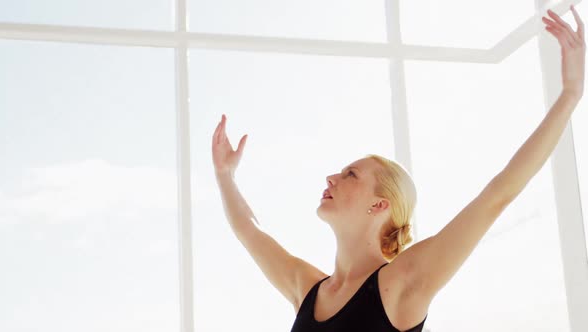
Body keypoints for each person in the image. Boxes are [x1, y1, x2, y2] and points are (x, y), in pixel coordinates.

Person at [211, 6, 585, 332]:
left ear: (380, 205)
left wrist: (569, 95)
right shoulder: (307, 288)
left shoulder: (403, 281)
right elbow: (249, 230)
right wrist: (226, 176)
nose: (331, 178)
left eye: (351, 174)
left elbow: (497, 195)